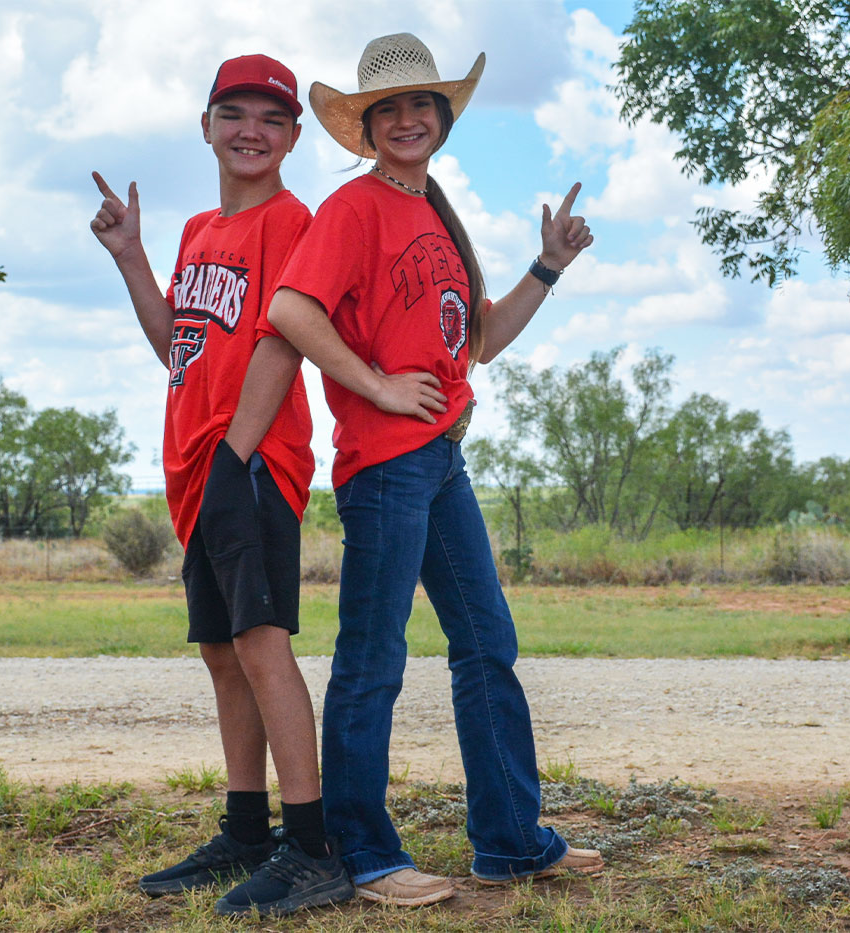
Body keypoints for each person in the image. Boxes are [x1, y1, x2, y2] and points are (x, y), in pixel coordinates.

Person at [265, 33, 604, 906]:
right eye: (389, 109)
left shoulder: (436, 212)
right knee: (373, 657)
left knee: (487, 642)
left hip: (442, 460)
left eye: (423, 105)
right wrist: (374, 381)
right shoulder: (354, 209)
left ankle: (511, 842)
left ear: (443, 119)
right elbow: (292, 308)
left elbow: (480, 339)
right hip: (384, 465)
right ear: (367, 127)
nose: (408, 119)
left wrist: (548, 268)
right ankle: (364, 855)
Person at [89, 54, 353, 917]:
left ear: (293, 138)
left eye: (271, 119)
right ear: (205, 126)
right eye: (233, 114)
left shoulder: (292, 219)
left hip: (252, 461)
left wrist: (238, 458)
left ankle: (311, 847)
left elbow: (284, 336)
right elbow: (179, 345)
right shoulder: (200, 230)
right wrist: (131, 254)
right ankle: (246, 829)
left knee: (263, 642)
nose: (251, 130)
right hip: (198, 467)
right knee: (221, 648)